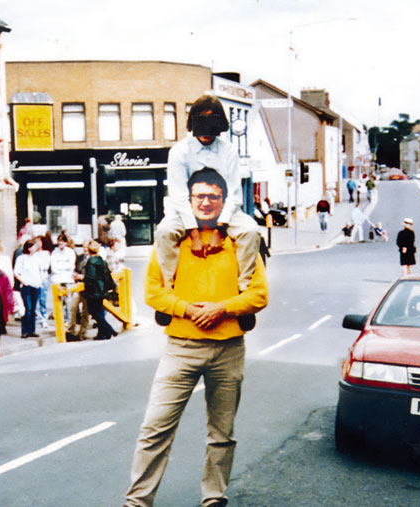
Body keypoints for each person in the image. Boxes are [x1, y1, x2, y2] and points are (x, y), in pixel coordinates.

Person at [125, 169, 268, 507]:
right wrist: (190, 310)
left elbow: (259, 295)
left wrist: (222, 308)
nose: (206, 202)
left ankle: (214, 497)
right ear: (189, 201)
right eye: (199, 196)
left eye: (213, 196)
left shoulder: (239, 243)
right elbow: (153, 293)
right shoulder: (172, 243)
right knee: (154, 430)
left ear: (223, 201)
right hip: (180, 349)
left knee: (222, 434)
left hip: (229, 349)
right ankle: (137, 502)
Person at [156, 94, 260, 293]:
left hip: (222, 211)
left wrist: (219, 230)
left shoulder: (228, 150)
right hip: (185, 211)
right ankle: (169, 286)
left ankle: (244, 286)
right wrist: (194, 234)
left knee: (251, 231)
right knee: (164, 232)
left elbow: (234, 194)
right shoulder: (179, 151)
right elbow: (178, 195)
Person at [82, 240, 118, 341]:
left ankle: (109, 329)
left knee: (93, 311)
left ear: (89, 251)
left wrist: (84, 280)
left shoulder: (91, 262)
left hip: (94, 290)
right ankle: (103, 333)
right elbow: (108, 275)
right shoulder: (102, 260)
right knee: (99, 311)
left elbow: (91, 277)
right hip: (102, 289)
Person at [13, 239, 45, 338]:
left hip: (36, 285)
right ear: (29, 248)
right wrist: (24, 282)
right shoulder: (21, 258)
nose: (36, 248)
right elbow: (16, 272)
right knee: (28, 308)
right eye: (34, 246)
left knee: (34, 308)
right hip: (27, 286)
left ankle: (32, 330)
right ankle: (25, 330)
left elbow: (41, 270)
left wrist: (41, 280)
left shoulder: (37, 258)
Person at [66, 247, 91, 342]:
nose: (85, 249)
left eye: (86, 247)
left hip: (87, 287)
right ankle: (71, 329)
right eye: (84, 247)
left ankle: (82, 332)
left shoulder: (93, 258)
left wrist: (82, 276)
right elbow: (75, 269)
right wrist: (75, 275)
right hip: (78, 286)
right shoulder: (79, 258)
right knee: (73, 307)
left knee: (85, 311)